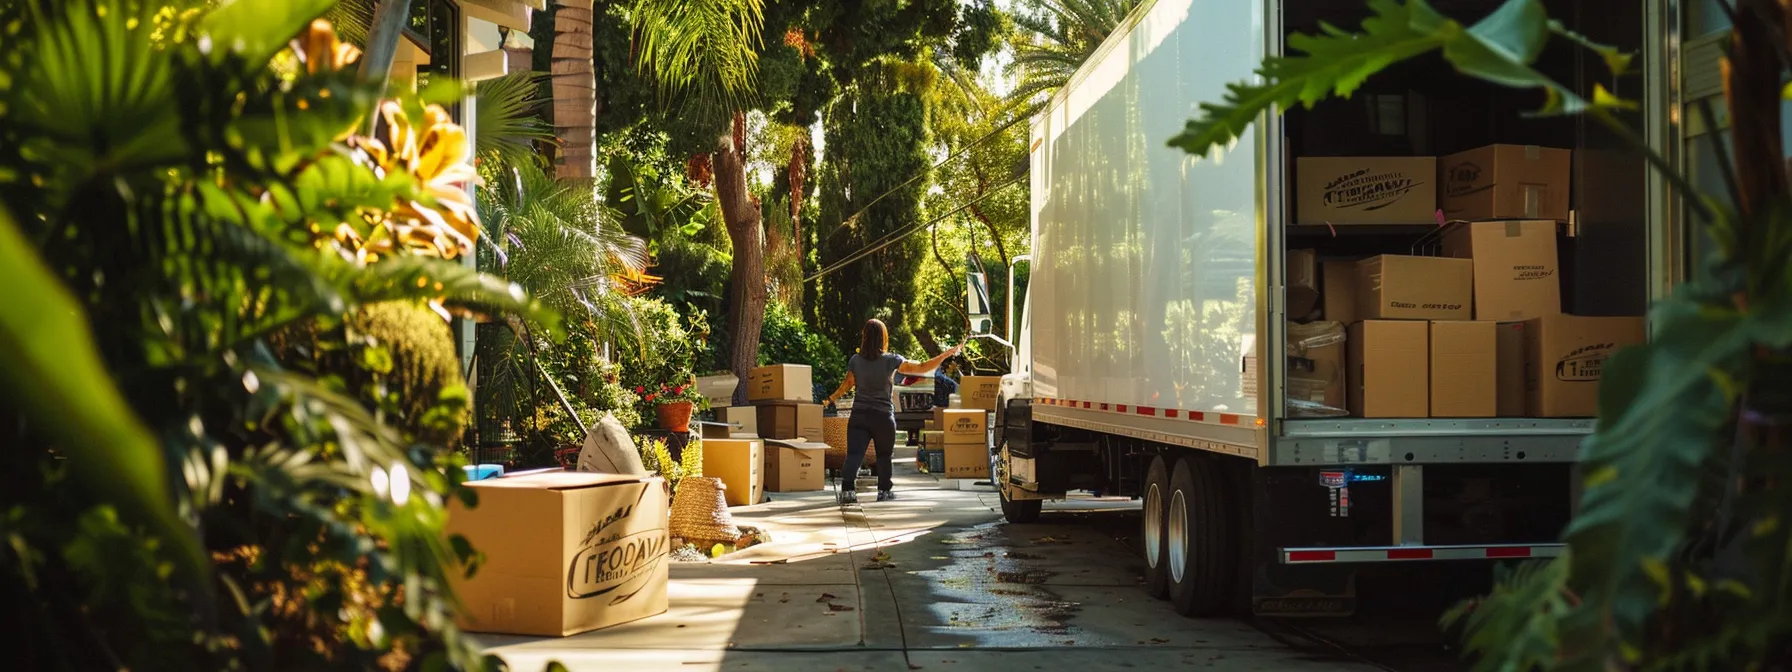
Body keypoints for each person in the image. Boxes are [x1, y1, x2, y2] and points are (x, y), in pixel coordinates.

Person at [825, 319, 963, 503]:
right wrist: (945, 354)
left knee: (854, 454)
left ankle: (848, 491)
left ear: (864, 337)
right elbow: (922, 367)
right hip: (883, 417)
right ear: (883, 337)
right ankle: (884, 491)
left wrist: (831, 399)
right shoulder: (892, 360)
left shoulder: (855, 360)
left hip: (859, 416)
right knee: (883, 456)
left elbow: (847, 385)